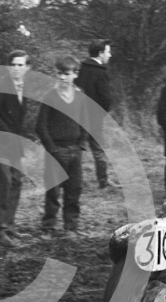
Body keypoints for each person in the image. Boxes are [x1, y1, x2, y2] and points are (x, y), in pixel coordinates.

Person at [36, 55, 89, 239]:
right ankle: (48, 228)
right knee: (53, 192)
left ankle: (71, 227)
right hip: (55, 152)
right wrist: (52, 149)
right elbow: (40, 126)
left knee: (74, 191)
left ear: (75, 74)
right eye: (59, 73)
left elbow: (85, 122)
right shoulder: (50, 96)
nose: (62, 77)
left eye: (66, 74)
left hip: (74, 151)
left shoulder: (80, 96)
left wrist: (81, 144)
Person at [0, 50, 32, 248]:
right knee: (2, 185)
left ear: (27, 68)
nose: (17, 68)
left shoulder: (24, 88)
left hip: (14, 146)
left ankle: (9, 226)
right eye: (14, 65)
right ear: (8, 67)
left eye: (21, 65)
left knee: (15, 184)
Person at [74, 39, 117, 189]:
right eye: (108, 52)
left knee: (76, 148)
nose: (109, 55)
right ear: (100, 54)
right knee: (98, 149)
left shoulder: (79, 68)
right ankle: (103, 181)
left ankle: (73, 180)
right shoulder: (101, 72)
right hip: (94, 117)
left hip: (77, 115)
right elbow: (106, 98)